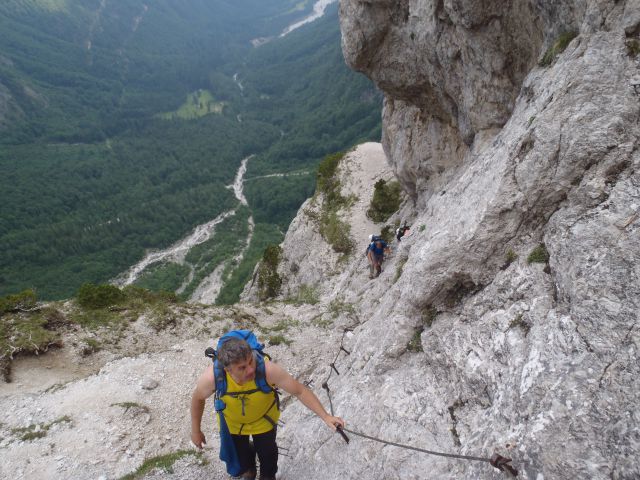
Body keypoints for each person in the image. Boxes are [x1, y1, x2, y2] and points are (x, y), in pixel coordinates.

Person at [190, 336, 345, 480]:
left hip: (264, 420)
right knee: (241, 459)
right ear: (227, 370)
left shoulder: (267, 370)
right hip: (233, 424)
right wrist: (196, 431)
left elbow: (300, 390)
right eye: (242, 367)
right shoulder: (212, 378)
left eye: (251, 361)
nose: (250, 370)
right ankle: (249, 470)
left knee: (268, 455)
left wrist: (326, 417)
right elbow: (197, 398)